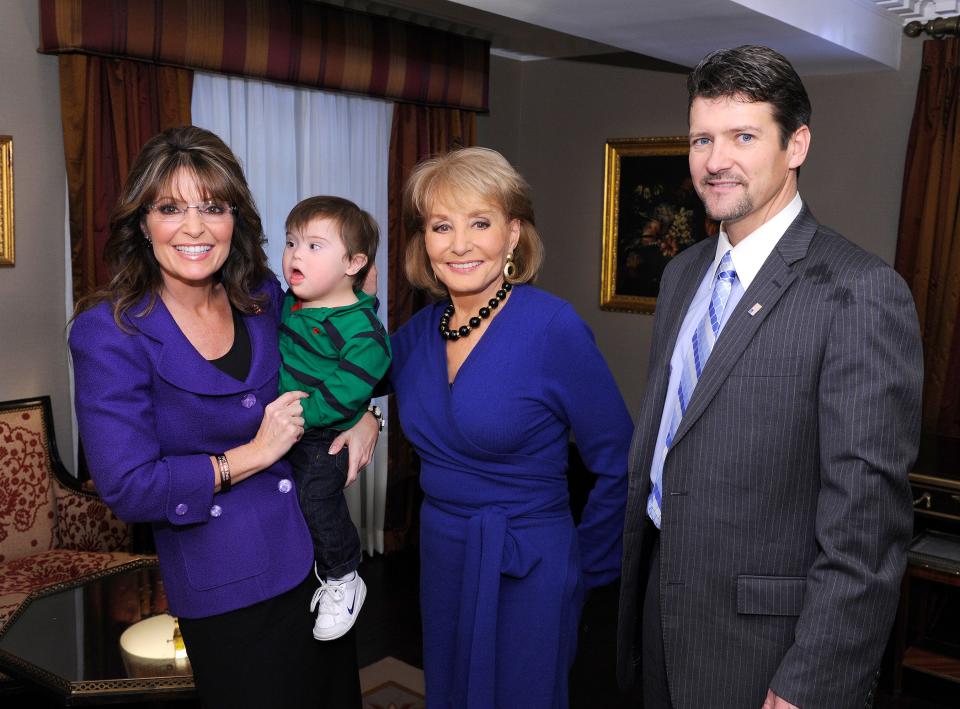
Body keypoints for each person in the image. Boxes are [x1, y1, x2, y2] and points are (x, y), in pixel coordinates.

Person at [615, 45, 923, 709]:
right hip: (659, 608)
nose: (716, 159)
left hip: (765, 648)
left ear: (797, 144)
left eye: (743, 136)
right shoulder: (681, 274)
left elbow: (866, 534)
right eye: (702, 138)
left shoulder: (861, 291)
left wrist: (814, 679)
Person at [69, 126, 365, 709]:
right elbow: (129, 488)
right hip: (227, 586)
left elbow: (337, 349)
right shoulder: (109, 332)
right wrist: (253, 455)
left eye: (213, 206)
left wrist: (367, 415)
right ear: (142, 223)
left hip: (321, 569)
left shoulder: (262, 296)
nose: (195, 227)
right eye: (171, 208)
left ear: (237, 219)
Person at [388, 146, 632, 709]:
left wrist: (582, 566)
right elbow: (347, 381)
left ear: (513, 233)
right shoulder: (419, 334)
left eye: (481, 222)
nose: (460, 243)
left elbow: (620, 460)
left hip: (530, 564)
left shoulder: (551, 327)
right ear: (424, 242)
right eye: (441, 226)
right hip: (444, 554)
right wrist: (361, 422)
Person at [278, 196, 391, 641]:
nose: (296, 255)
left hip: (322, 433)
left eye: (314, 246)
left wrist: (299, 417)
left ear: (354, 262)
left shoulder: (363, 332)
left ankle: (344, 576)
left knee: (313, 497)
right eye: (291, 243)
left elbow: (348, 389)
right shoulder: (293, 301)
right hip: (290, 429)